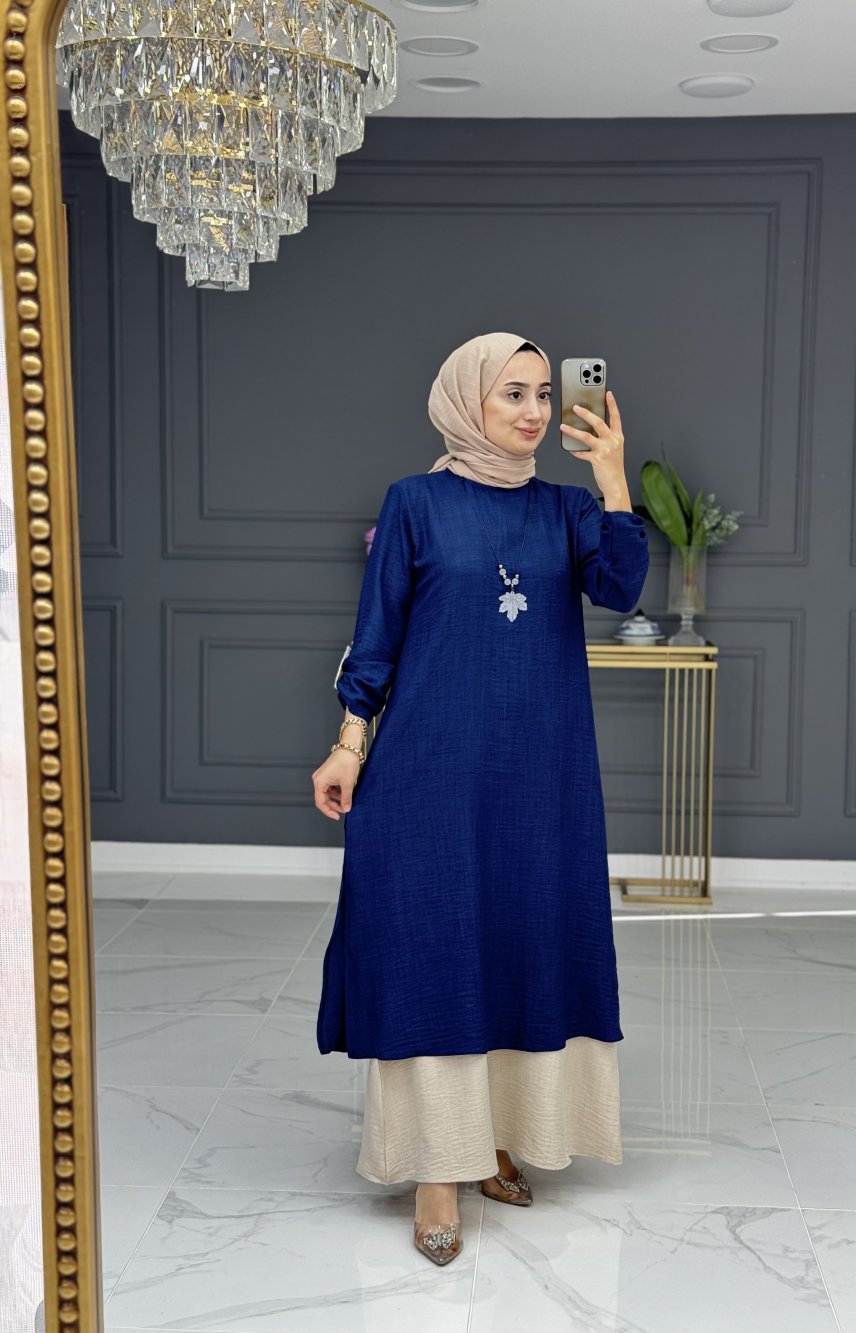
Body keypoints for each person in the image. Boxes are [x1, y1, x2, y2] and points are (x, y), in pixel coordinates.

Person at [311, 331, 649, 1266]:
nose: (535, 411)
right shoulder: (415, 503)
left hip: (541, 777)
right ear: (468, 401)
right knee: (435, 948)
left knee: (520, 942)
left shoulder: (566, 510)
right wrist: (348, 745)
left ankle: (496, 1138)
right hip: (429, 772)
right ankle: (436, 1167)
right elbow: (376, 638)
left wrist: (612, 479)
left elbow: (621, 588)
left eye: (543, 392)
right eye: (513, 393)